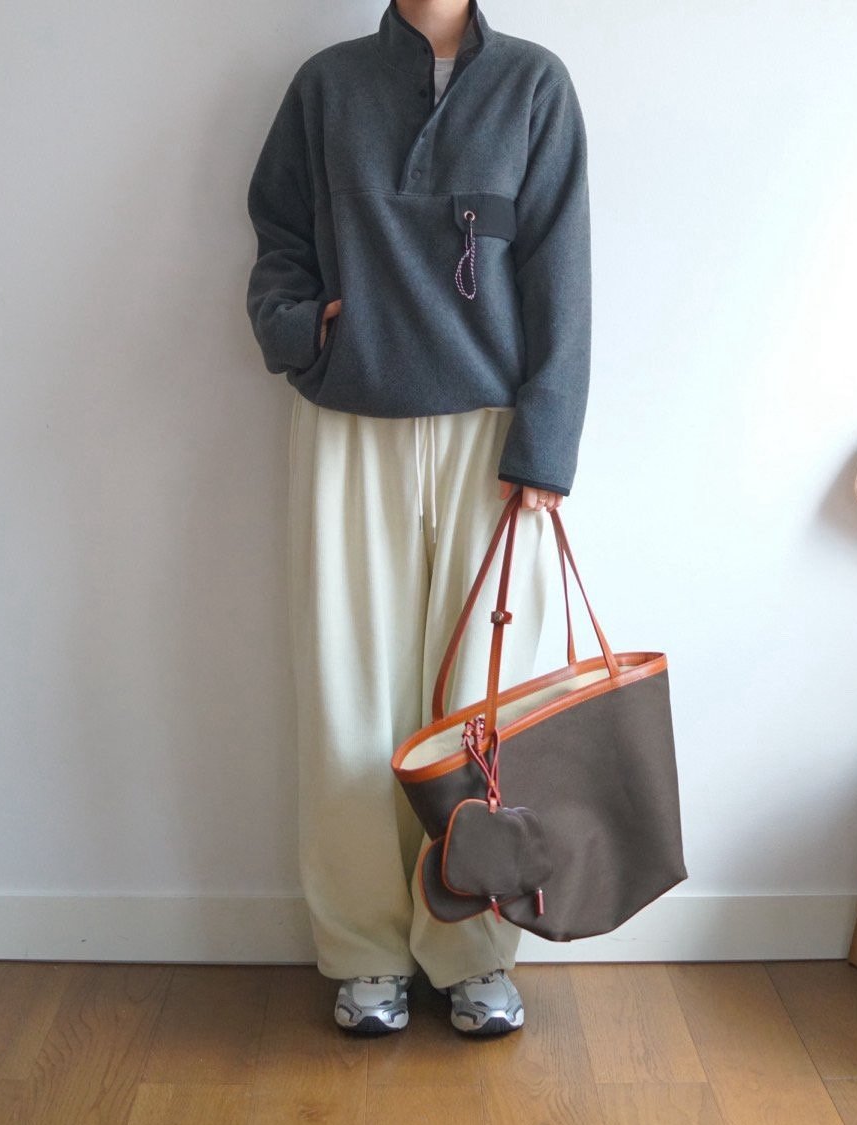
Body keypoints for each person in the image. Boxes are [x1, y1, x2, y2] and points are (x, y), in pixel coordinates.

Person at [245, 0, 591, 1035]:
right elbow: (276, 238)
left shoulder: (532, 82)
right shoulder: (328, 84)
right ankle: (364, 950)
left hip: (492, 436)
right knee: (346, 690)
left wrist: (546, 443)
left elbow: (561, 269)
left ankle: (472, 948)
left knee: (484, 705)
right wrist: (301, 329)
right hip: (348, 425)